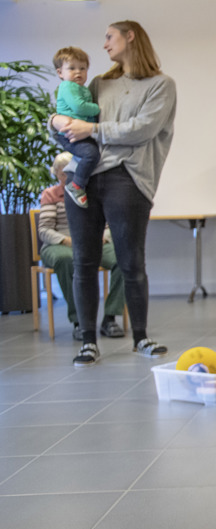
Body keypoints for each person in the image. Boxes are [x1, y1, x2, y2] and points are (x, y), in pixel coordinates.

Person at [49, 20, 176, 367]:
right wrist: (55, 122)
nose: (104, 45)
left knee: (131, 262)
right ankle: (88, 341)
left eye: (110, 37)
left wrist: (92, 128)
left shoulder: (160, 85)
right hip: (83, 177)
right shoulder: (100, 82)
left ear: (129, 36)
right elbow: (69, 113)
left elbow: (142, 129)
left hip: (128, 178)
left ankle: (141, 337)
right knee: (84, 262)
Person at [37, 152, 125, 340]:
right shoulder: (51, 195)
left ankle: (110, 318)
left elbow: (110, 225)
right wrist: (66, 240)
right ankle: (80, 322)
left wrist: (102, 236)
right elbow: (44, 230)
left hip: (93, 240)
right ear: (57, 174)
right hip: (61, 243)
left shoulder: (93, 191)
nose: (68, 177)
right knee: (66, 260)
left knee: (124, 259)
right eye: (63, 174)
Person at [51, 47, 100, 208]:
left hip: (78, 132)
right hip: (68, 133)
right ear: (60, 72)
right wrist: (97, 108)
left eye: (82, 68)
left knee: (92, 153)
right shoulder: (68, 86)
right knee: (90, 155)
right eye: (71, 68)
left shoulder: (81, 88)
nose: (78, 72)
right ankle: (76, 185)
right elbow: (79, 107)